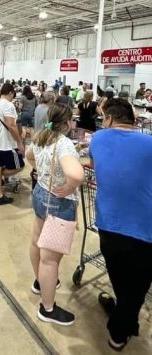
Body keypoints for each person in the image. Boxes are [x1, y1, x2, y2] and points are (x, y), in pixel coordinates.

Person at [89, 98, 152, 351]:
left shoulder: (98, 139)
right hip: (145, 228)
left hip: (109, 224)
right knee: (137, 284)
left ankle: (121, 314)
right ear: (135, 122)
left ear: (109, 119)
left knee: (119, 274)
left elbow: (96, 167)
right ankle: (119, 330)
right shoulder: (149, 143)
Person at [26, 102, 84, 326]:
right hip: (59, 203)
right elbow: (76, 175)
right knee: (50, 260)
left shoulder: (42, 136)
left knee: (36, 243)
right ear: (68, 123)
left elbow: (28, 155)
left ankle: (40, 282)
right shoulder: (64, 144)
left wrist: (39, 171)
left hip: (40, 194)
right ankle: (47, 308)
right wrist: (70, 187)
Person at [0, 83, 25, 206]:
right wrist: (19, 142)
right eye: (13, 94)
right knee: (20, 166)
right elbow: (12, 125)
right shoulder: (9, 105)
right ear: (10, 93)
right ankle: (0, 175)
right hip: (7, 145)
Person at [30, 91, 56, 191]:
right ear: (50, 100)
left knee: (36, 163)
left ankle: (34, 186)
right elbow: (48, 126)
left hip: (37, 138)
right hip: (45, 139)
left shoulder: (38, 108)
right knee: (43, 164)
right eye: (53, 99)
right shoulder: (49, 110)